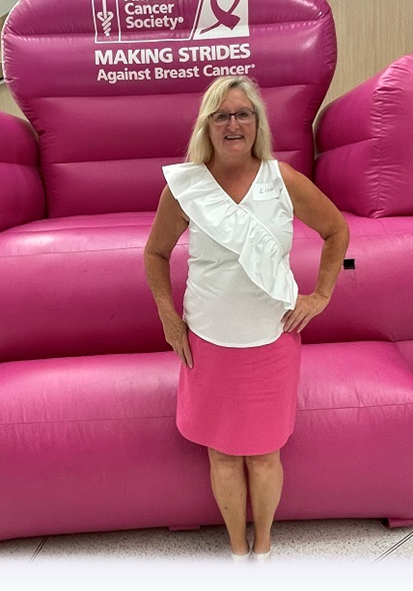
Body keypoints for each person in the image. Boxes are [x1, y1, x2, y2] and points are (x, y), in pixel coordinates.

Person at [144, 75, 349, 561]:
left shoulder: (283, 180)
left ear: (257, 123)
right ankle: (237, 553)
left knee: (263, 454)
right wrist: (170, 319)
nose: (233, 124)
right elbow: (155, 254)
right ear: (207, 126)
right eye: (221, 115)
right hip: (208, 339)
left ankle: (264, 550)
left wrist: (319, 296)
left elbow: (337, 231)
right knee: (221, 453)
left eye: (243, 114)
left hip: (270, 339)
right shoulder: (186, 187)